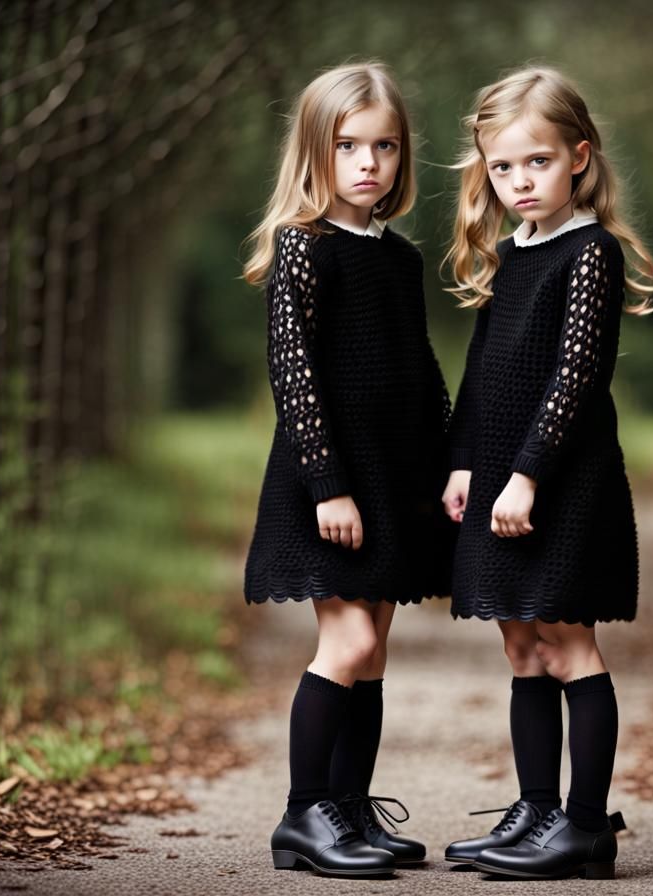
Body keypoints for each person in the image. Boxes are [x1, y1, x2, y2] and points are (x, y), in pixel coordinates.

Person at [440, 65, 653, 880]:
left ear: (579, 156)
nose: (520, 181)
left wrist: (528, 476)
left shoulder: (591, 252)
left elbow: (575, 378)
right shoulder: (509, 256)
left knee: (567, 643)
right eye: (503, 167)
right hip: (498, 475)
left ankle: (586, 828)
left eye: (537, 161)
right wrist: (464, 462)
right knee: (522, 645)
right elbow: (482, 373)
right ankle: (536, 813)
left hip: (561, 481)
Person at [241, 61, 453, 878]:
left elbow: (420, 368)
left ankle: (351, 807)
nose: (369, 163)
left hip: (393, 480)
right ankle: (303, 814)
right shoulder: (303, 249)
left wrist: (449, 461)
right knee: (349, 639)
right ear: (314, 152)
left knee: (375, 648)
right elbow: (293, 377)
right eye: (348, 146)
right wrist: (327, 486)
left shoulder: (398, 259)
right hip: (327, 481)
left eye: (385, 146)